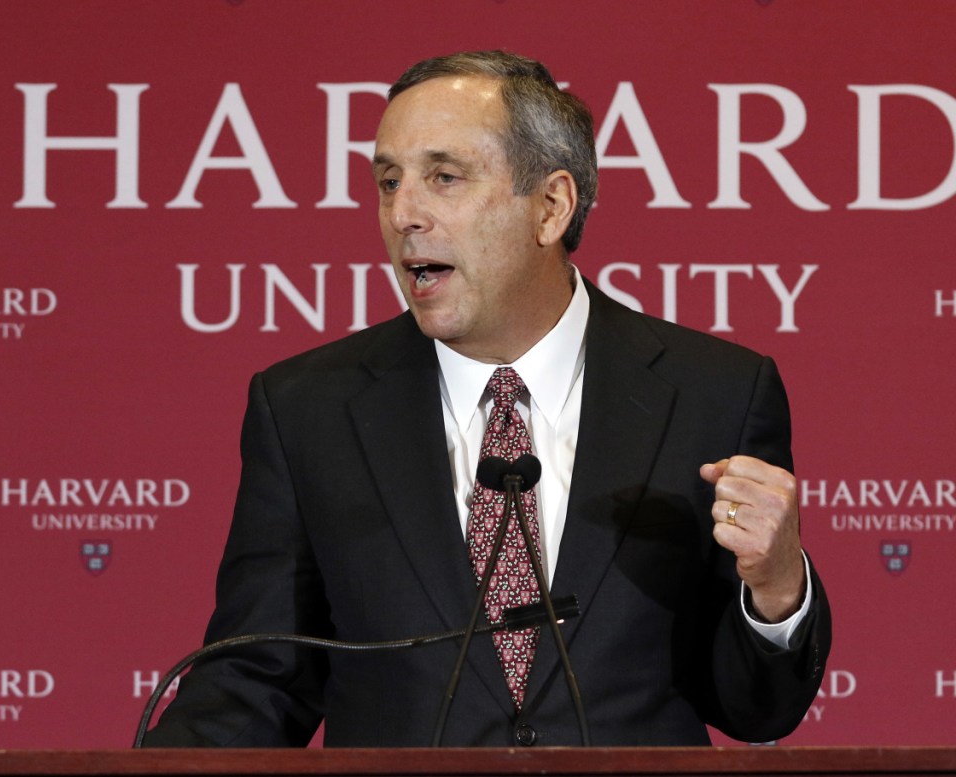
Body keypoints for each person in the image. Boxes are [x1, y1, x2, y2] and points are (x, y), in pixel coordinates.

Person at [143, 50, 830, 749]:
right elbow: (257, 679)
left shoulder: (713, 392)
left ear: (551, 206)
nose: (403, 213)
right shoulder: (307, 409)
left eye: (444, 177)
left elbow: (757, 709)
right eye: (388, 181)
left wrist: (776, 589)